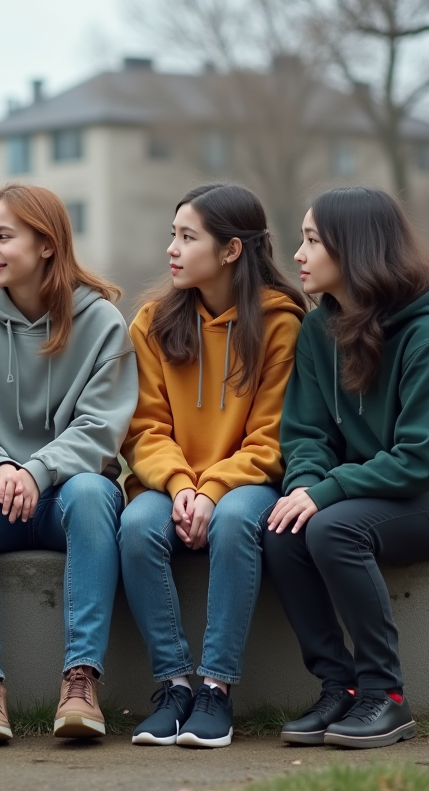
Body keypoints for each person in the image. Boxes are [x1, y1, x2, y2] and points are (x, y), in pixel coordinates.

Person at [265, 187, 429, 749]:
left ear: (355, 250)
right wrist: (302, 489)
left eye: (313, 241)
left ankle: (387, 697)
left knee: (332, 526)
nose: (298, 254)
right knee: (282, 528)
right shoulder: (320, 332)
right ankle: (338, 688)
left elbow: (420, 461)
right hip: (367, 492)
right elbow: (307, 435)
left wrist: (327, 494)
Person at [0, 184, 138, 743]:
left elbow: (102, 429)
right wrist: (3, 468)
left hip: (63, 497)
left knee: (97, 493)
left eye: (4, 236)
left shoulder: (100, 323)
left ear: (47, 245)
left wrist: (38, 471)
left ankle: (81, 682)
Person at [119, 183, 306, 748]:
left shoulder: (281, 325)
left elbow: (272, 437)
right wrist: (180, 484)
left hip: (248, 483)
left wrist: (213, 490)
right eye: (172, 235)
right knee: (135, 525)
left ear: (231, 250)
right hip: (168, 481)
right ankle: (174, 684)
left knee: (234, 522)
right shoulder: (152, 323)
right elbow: (144, 429)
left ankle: (216, 690)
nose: (172, 249)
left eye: (187, 237)